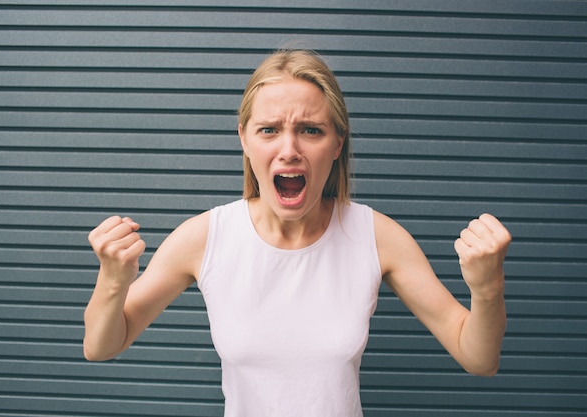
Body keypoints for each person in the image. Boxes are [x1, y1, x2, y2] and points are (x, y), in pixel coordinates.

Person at [84, 49, 511, 417]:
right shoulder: (205, 237)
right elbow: (102, 346)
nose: (289, 149)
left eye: (311, 130)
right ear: (244, 141)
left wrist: (487, 288)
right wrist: (113, 281)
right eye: (269, 130)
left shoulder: (376, 236)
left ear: (338, 143)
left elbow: (479, 359)